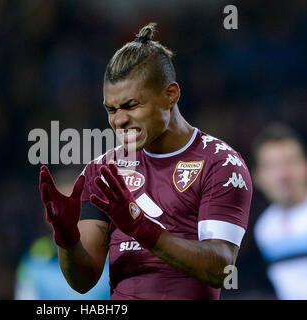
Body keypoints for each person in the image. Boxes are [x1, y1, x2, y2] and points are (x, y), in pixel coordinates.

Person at [38, 23, 252, 299]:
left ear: (170, 94)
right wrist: (66, 238)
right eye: (111, 109)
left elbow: (221, 269)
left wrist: (141, 228)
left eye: (131, 105)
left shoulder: (220, 163)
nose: (119, 120)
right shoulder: (103, 171)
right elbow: (83, 281)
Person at [15, 169, 110, 300]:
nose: (66, 215)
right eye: (57, 206)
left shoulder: (112, 255)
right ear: (45, 212)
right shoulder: (34, 257)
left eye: (76, 206)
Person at [252, 124, 306, 299]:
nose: (283, 175)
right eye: (272, 166)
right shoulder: (264, 229)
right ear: (258, 177)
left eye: (290, 162)